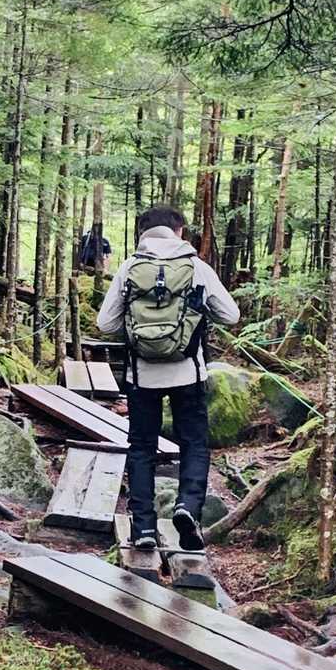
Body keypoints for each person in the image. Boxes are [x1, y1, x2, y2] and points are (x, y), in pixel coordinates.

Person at [97, 204, 239, 552]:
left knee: (142, 448)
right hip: (188, 372)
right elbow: (231, 315)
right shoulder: (196, 267)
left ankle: (143, 527)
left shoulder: (130, 268)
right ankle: (188, 506)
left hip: (142, 375)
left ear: (142, 233)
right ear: (179, 232)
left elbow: (105, 324)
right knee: (194, 444)